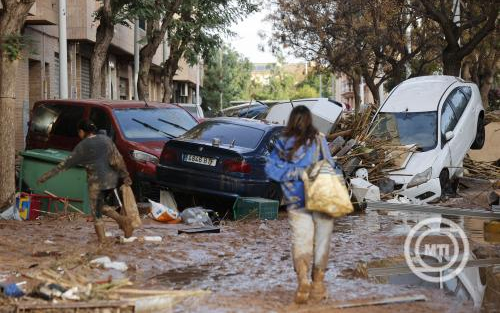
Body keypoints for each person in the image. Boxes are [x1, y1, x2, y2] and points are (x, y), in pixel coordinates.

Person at [265, 106, 335, 304]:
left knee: (301, 241)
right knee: (321, 242)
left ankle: (303, 280)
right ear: (310, 120)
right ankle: (318, 286)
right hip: (319, 199)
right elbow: (330, 166)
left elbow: (271, 169)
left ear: (292, 120)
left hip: (295, 201)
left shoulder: (283, 141)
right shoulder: (320, 139)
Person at [37, 120, 134, 243]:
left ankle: (104, 239)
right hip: (111, 179)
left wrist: (46, 176)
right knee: (101, 206)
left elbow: (65, 164)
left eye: (79, 132)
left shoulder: (83, 146)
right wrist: (125, 175)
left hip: (96, 181)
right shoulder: (106, 140)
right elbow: (117, 159)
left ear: (82, 132)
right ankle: (122, 221)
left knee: (96, 212)